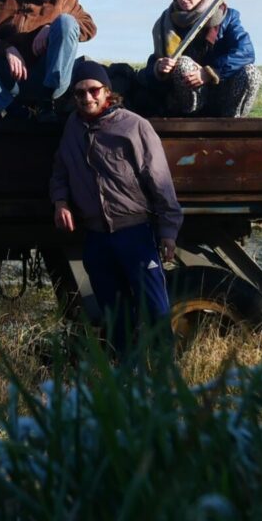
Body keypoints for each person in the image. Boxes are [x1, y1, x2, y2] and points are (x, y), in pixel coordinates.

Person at [50, 60, 183, 355]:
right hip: (96, 238)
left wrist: (168, 232)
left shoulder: (134, 126)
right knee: (116, 317)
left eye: (93, 90)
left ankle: (167, 381)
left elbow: (160, 180)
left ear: (107, 91)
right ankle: (126, 381)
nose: (87, 98)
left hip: (134, 233)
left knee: (156, 312)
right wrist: (60, 201)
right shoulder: (73, 127)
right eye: (80, 93)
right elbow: (61, 168)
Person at [144, 0, 262, 117]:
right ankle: (190, 120)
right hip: (186, 101)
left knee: (251, 72)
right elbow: (150, 71)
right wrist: (158, 68)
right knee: (184, 63)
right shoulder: (166, 24)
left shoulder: (228, 17)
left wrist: (211, 72)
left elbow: (245, 52)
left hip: (222, 93)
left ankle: (233, 123)